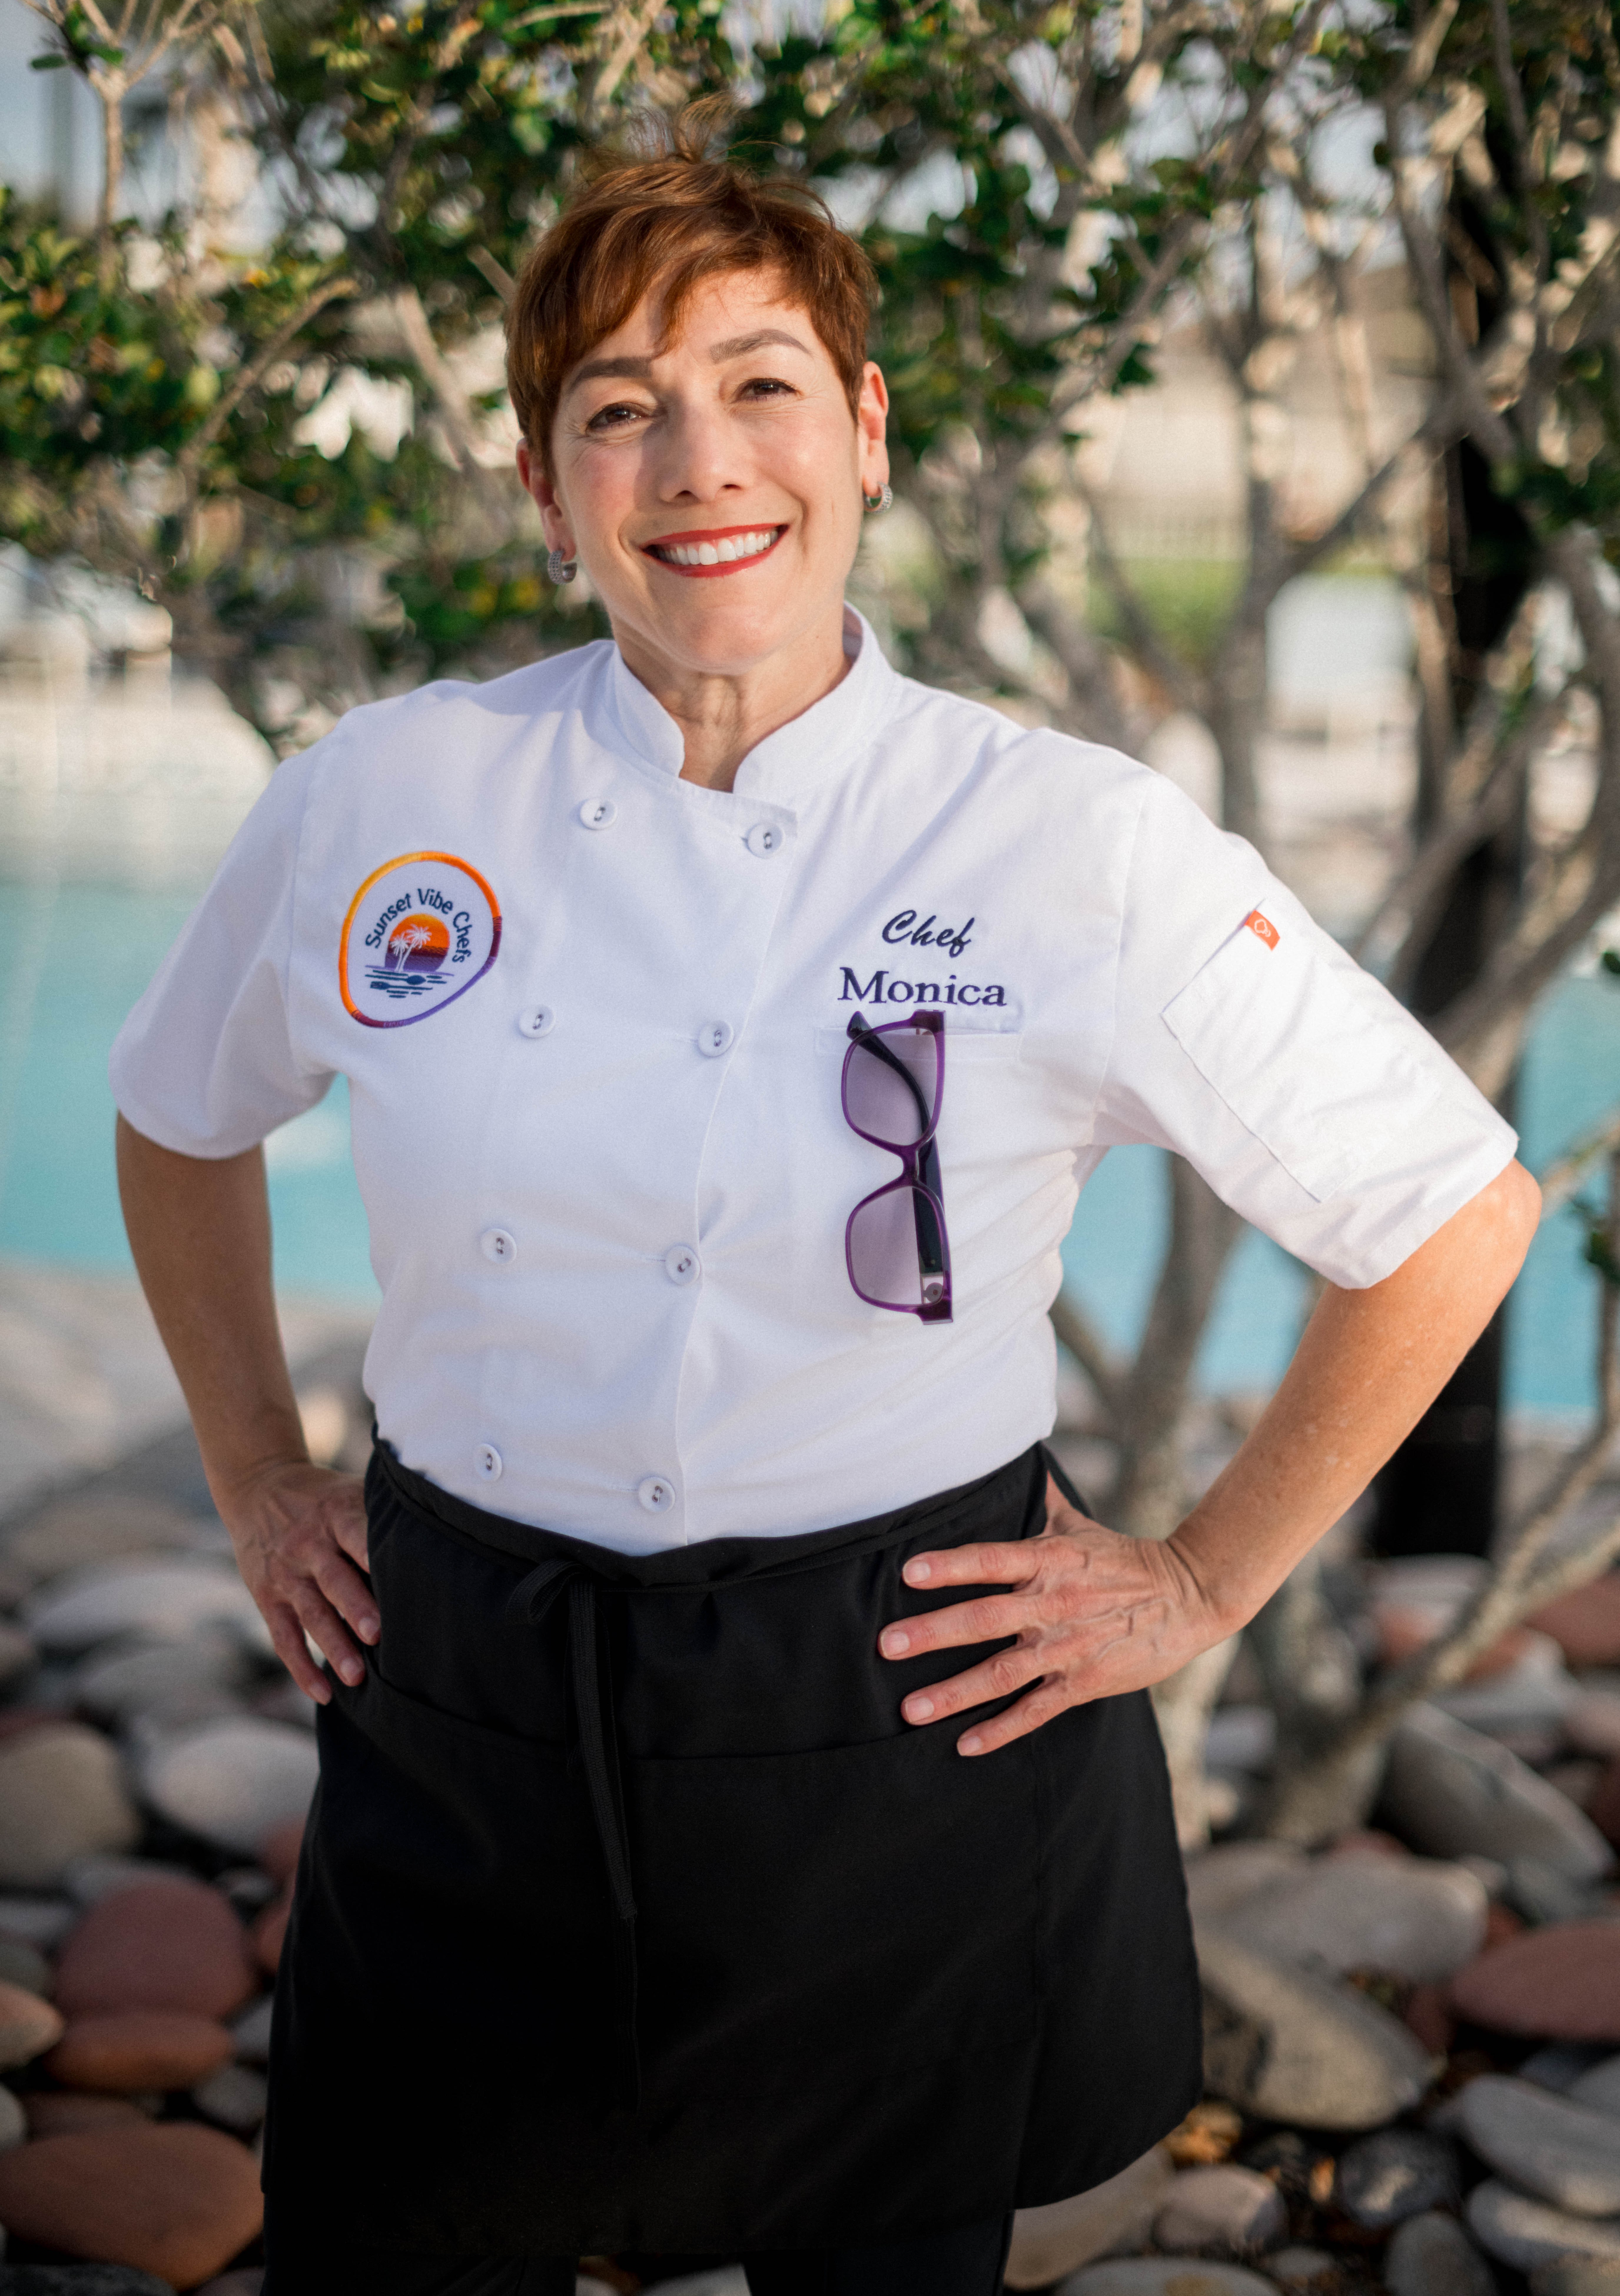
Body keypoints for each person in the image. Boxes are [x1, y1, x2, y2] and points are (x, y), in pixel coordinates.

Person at [111, 115, 1541, 2296]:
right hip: (468, 1688)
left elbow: (1451, 1211)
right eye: (620, 409)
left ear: (865, 434)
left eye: (762, 385)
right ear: (542, 480)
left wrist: (1194, 1584)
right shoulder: (391, 799)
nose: (701, 460)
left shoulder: (1066, 840)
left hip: (893, 1711)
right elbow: (176, 1109)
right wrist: (253, 1475)